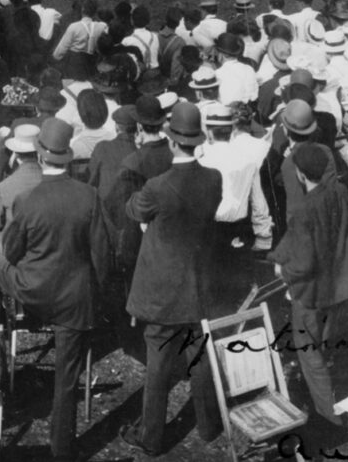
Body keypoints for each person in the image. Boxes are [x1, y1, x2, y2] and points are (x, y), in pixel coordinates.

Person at [0, 119, 106, 460]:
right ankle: (62, 452)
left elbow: (11, 253)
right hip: (75, 300)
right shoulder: (89, 196)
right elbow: (102, 256)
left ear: (41, 157)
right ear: (68, 159)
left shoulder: (29, 199)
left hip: (32, 290)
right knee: (66, 380)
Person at [128, 105, 227, 454]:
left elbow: (136, 209)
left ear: (171, 142)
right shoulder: (213, 178)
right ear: (198, 141)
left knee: (158, 365)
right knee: (198, 355)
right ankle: (210, 424)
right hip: (197, 284)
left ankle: (151, 437)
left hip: (162, 291)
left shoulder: (157, 187)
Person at [269, 142, 348, 424]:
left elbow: (303, 265)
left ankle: (329, 418)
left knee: (310, 354)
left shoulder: (304, 208)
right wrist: (346, 244)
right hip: (344, 288)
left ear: (301, 175)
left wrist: (283, 271)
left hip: (314, 295)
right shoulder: (339, 191)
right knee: (331, 341)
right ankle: (339, 400)